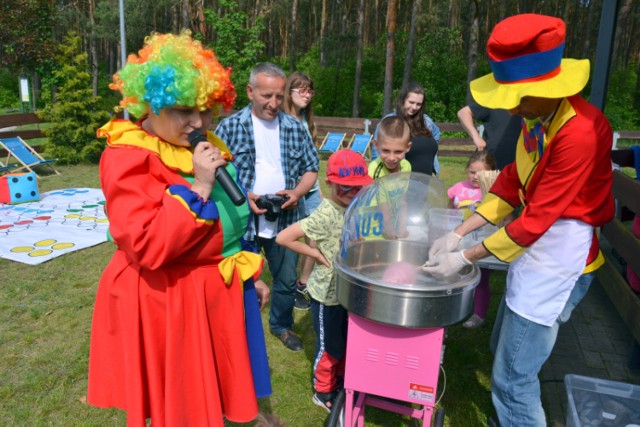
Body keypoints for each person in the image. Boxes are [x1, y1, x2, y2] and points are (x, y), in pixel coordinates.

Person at [422, 14, 614, 427]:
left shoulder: (579, 132)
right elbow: (510, 183)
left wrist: (466, 256)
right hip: (539, 244)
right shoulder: (537, 119)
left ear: (550, 87)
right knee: (503, 349)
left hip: (563, 253)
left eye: (520, 97)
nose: (511, 106)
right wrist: (458, 230)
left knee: (512, 377)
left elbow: (538, 220)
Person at [87, 32, 271, 426]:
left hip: (213, 289)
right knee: (183, 405)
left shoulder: (200, 144)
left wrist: (246, 277)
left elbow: (229, 223)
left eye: (206, 109)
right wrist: (200, 187)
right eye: (184, 110)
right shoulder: (128, 156)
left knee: (213, 398)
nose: (199, 122)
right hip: (169, 298)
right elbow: (146, 245)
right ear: (149, 105)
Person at [215, 62, 319, 352]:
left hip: (286, 219)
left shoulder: (295, 127)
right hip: (243, 220)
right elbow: (215, 172)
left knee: (286, 279)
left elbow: (312, 168)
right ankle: (236, 329)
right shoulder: (229, 127)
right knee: (239, 278)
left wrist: (297, 192)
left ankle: (281, 326)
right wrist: (245, 194)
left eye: (278, 95)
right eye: (266, 96)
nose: (274, 103)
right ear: (250, 91)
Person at [276, 149, 373, 412]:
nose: (353, 193)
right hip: (326, 295)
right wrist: (315, 253)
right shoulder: (325, 213)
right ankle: (322, 391)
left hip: (346, 291)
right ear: (329, 184)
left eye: (357, 188)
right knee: (329, 346)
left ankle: (340, 381)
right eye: (346, 188)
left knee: (343, 341)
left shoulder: (352, 206)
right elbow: (283, 238)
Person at [282, 71, 322, 311]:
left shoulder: (307, 120)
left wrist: (319, 192)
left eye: (310, 90)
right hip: (293, 190)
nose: (307, 95)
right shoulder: (283, 121)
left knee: (316, 235)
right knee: (290, 239)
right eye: (302, 90)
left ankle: (303, 283)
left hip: (312, 189)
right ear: (290, 92)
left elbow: (312, 161)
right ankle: (286, 287)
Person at [447, 151, 497, 328]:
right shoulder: (458, 188)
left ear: (491, 173)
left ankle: (479, 314)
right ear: (466, 170)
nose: (476, 177)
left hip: (481, 244)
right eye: (472, 172)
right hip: (459, 241)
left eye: (482, 173)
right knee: (455, 276)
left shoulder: (492, 191)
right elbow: (448, 211)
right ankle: (454, 309)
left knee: (481, 280)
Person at [372, 82, 441, 175]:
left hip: (425, 183)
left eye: (418, 104)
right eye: (411, 102)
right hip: (400, 183)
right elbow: (378, 154)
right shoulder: (389, 122)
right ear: (403, 100)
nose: (414, 107)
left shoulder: (426, 121)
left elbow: (436, 134)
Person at [457, 95, 522, 170]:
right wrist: (476, 137)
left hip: (523, 164)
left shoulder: (531, 104)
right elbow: (463, 113)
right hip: (494, 164)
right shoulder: (495, 102)